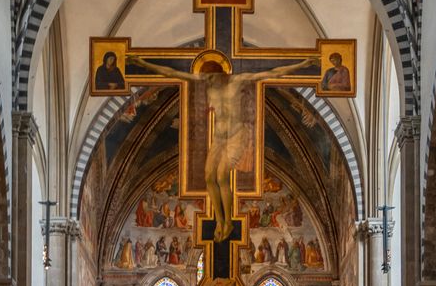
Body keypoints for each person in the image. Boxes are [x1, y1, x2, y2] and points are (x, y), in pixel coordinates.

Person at [131, 54, 314, 242]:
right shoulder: (208, 84)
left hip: (237, 136)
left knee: (221, 175)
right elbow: (172, 73)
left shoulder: (237, 82)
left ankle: (228, 222)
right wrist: (143, 63)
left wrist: (302, 64)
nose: (206, 82)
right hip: (218, 138)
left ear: (220, 74)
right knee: (209, 176)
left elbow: (271, 73)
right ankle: (220, 221)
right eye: (205, 79)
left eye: (210, 78)